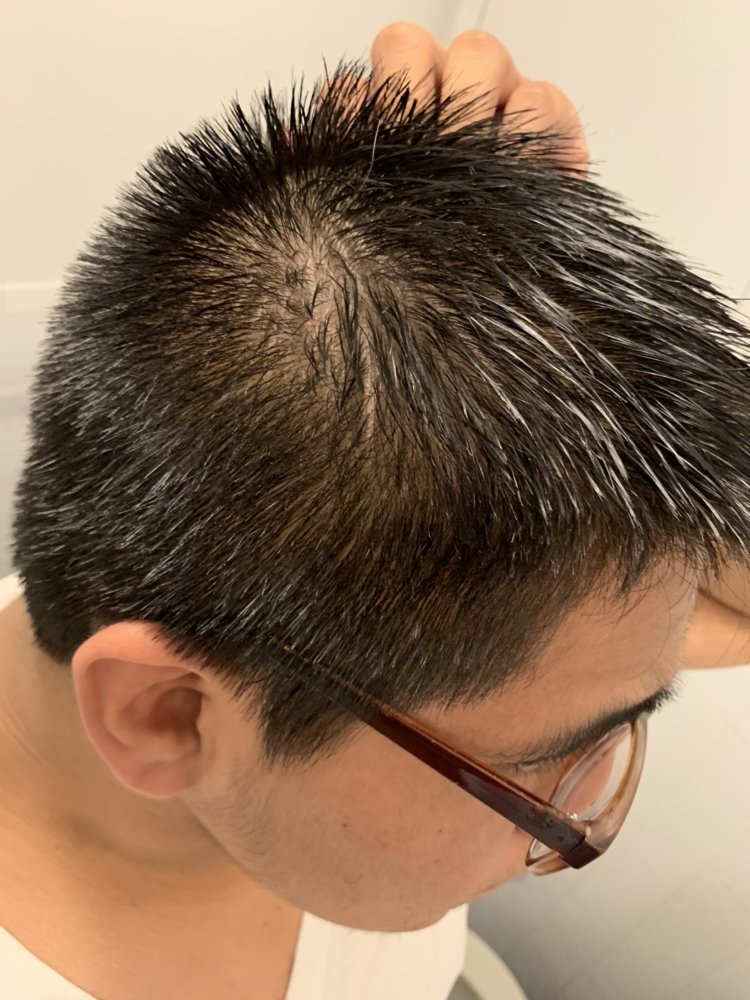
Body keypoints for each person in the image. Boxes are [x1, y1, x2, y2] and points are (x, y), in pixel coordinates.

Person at [1, 20, 749, 1000]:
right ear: (167, 714)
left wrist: (571, 347)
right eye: (544, 778)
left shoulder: (353, 621)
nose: (575, 834)